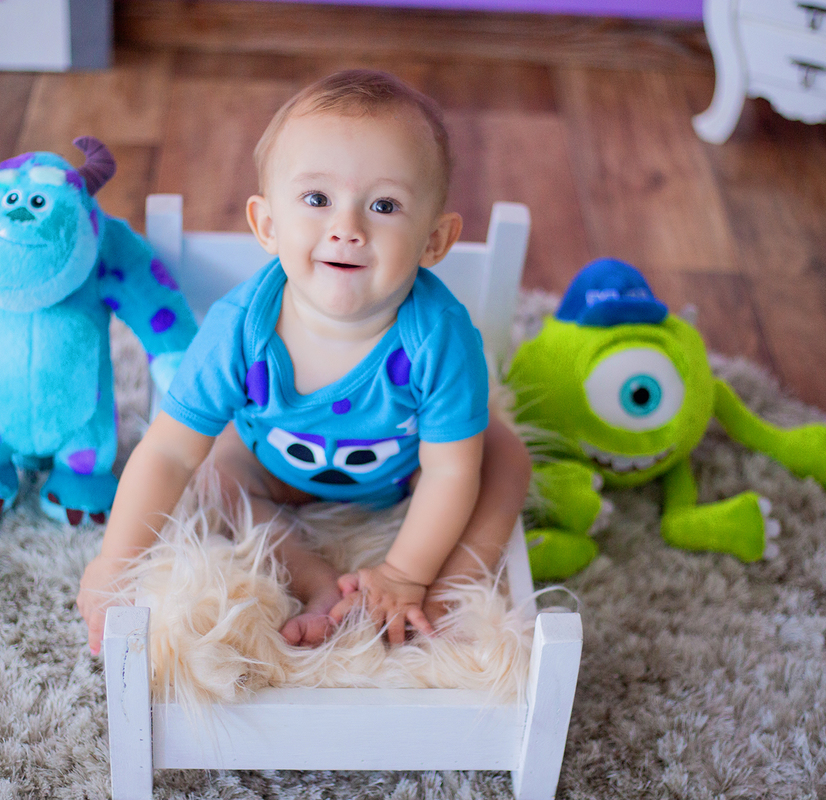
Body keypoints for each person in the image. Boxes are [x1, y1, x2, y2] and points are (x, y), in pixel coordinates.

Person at [77, 69, 531, 654]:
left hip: (408, 468)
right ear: (267, 225)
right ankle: (316, 585)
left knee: (503, 459)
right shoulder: (239, 329)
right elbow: (166, 450)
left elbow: (448, 473)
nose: (347, 229)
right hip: (275, 465)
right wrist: (116, 563)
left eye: (385, 205)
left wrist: (403, 574)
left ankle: (448, 593)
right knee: (215, 475)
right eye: (317, 199)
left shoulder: (440, 337)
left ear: (434, 242)